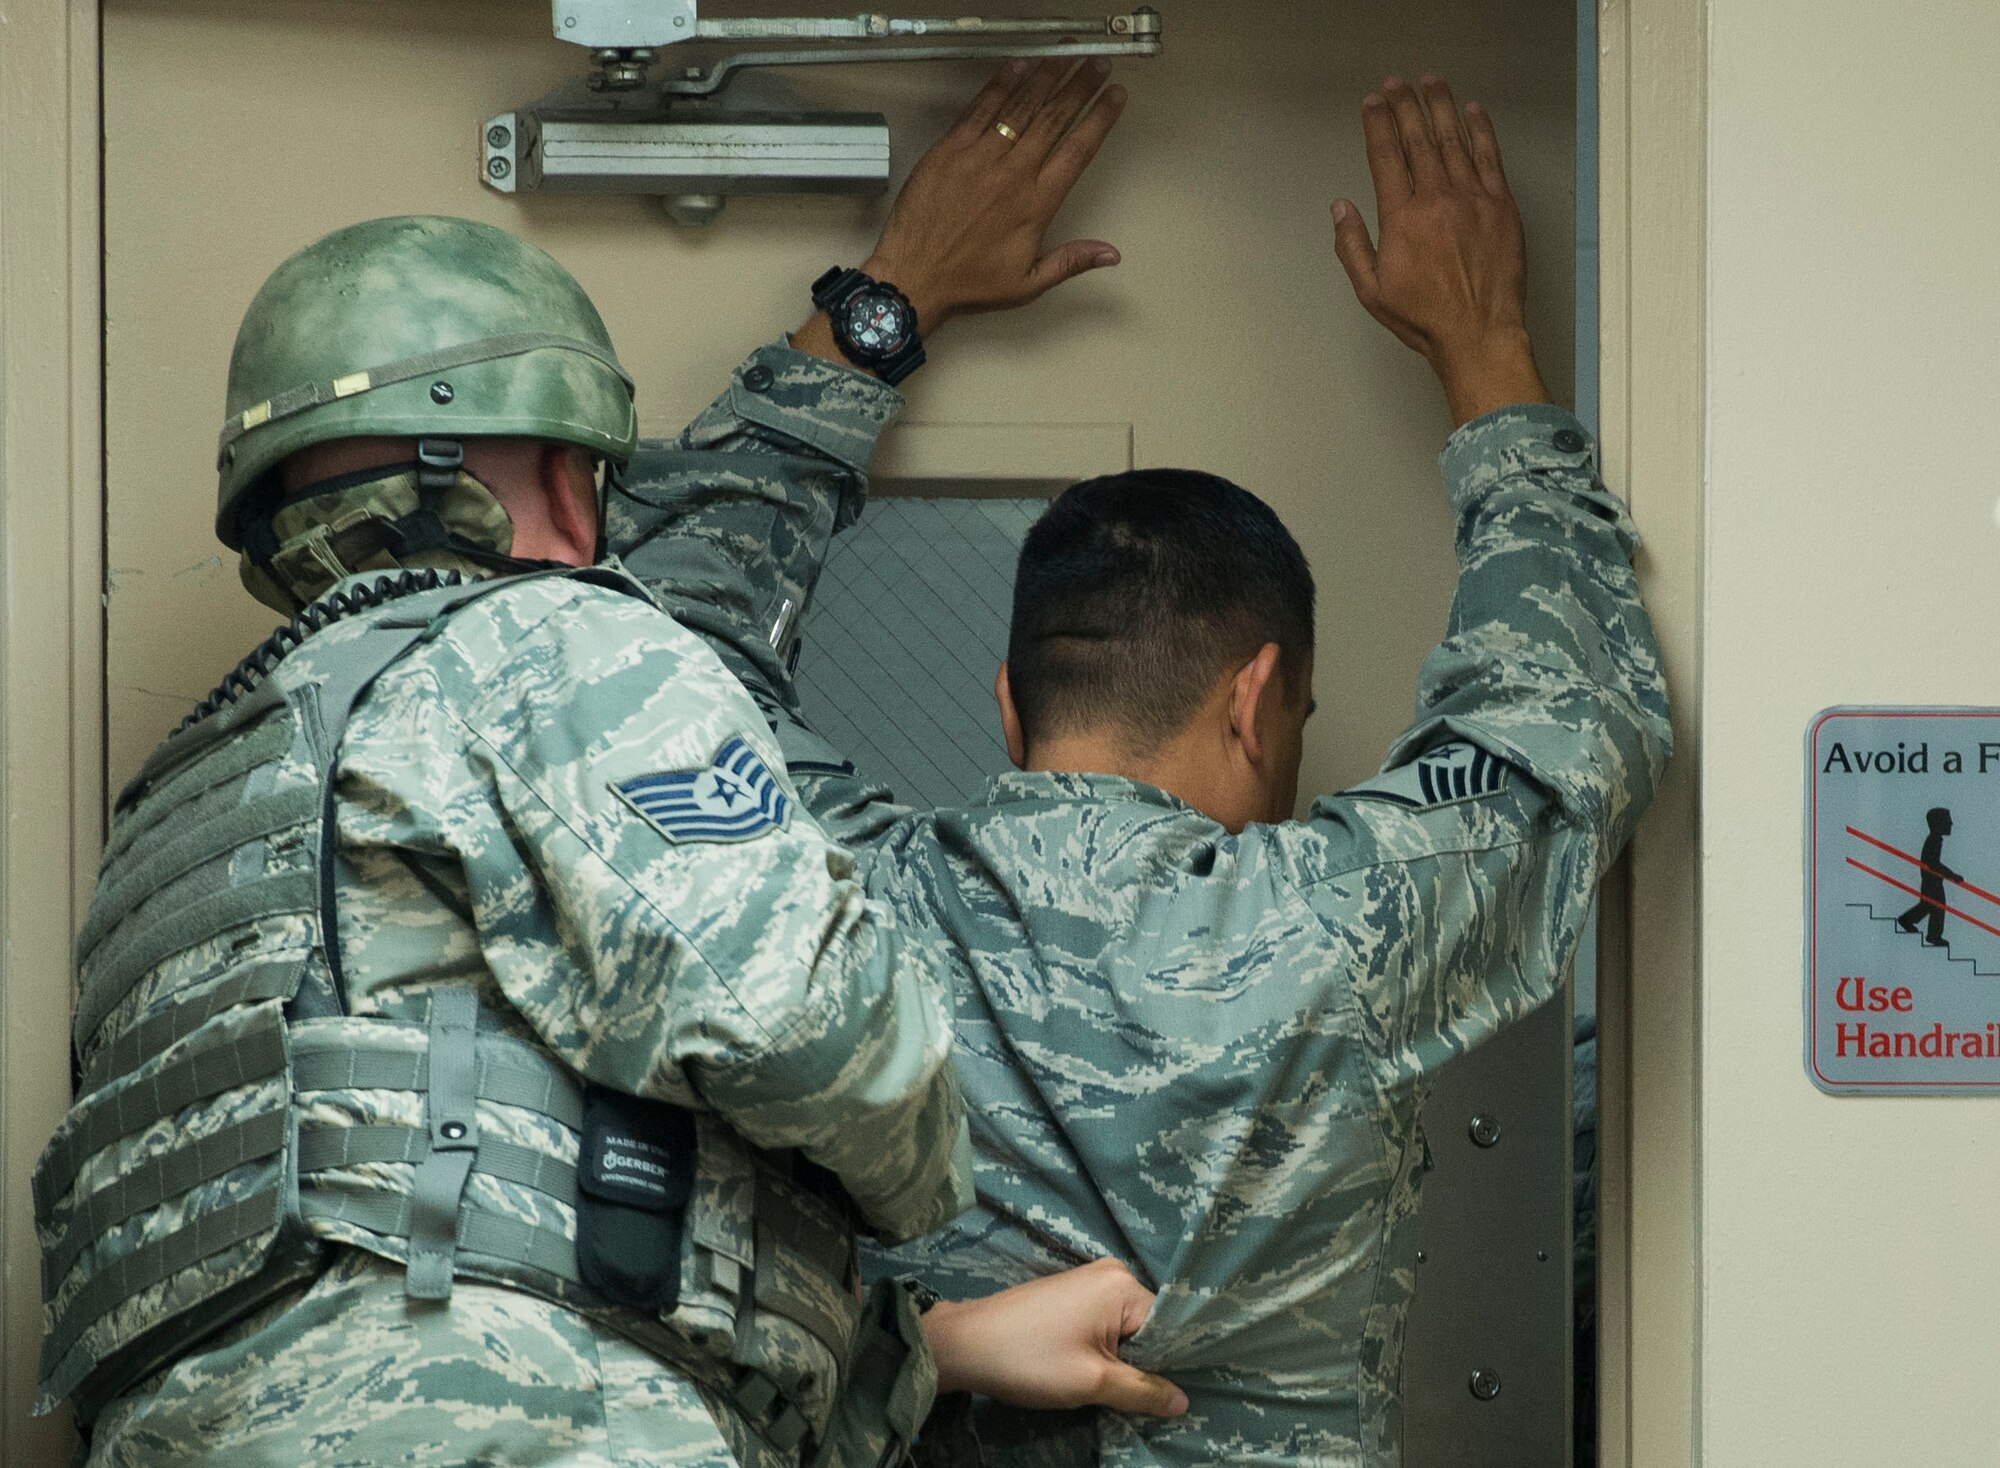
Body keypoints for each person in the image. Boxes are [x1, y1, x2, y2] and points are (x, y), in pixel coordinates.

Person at [613, 63, 1671, 1467]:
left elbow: (649, 640)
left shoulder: (836, 896)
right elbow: (1568, 701)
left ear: (1008, 704)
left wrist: (887, 302)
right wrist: (1484, 352)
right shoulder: (1344, 924)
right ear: (1260, 698)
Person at [34, 202, 1186, 1467]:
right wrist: (932, 1169)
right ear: (551, 474)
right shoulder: (545, 641)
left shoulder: (177, 815)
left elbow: (438, 1190)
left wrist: (928, 1350)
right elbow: (822, 1031)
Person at [1896, 807, 1960, 945]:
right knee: (1935, 906)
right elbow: (1933, 863)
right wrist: (1952, 875)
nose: (1951, 824)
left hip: (1931, 880)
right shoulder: (1935, 840)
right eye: (1948, 820)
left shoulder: (1935, 839)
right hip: (1932, 880)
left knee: (1929, 906)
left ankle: (1914, 924)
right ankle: (1931, 934)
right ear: (1939, 822)